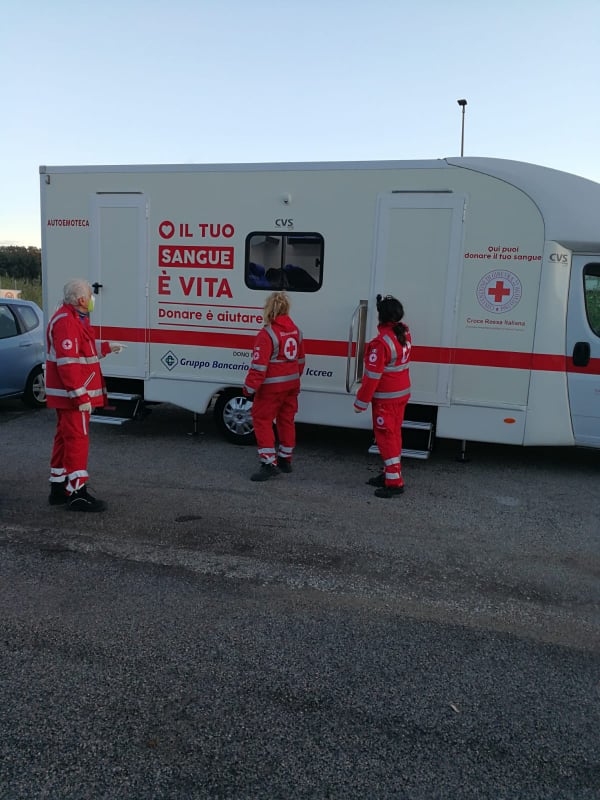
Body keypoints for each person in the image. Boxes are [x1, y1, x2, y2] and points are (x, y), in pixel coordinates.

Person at [46, 278, 125, 512]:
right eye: (90, 295)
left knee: (64, 438)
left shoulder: (72, 319)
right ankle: (77, 493)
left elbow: (83, 352)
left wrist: (107, 348)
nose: (92, 299)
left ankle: (59, 487)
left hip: (68, 395)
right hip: (73, 397)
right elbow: (68, 364)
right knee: (77, 440)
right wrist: (80, 397)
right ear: (81, 300)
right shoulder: (67, 322)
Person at [354, 294, 412, 499]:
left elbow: (372, 377)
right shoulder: (404, 332)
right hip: (401, 395)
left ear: (381, 316)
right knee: (394, 435)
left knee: (386, 438)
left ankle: (395, 482)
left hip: (386, 399)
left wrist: (360, 402)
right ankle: (389, 473)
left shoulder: (381, 343)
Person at [243, 291, 305, 481]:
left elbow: (259, 367)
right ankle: (285, 459)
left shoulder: (267, 333)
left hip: (271, 388)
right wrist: (292, 378)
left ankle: (269, 462)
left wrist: (248, 389)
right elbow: (301, 360)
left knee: (262, 420)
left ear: (269, 309)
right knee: (286, 419)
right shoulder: (296, 331)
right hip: (292, 385)